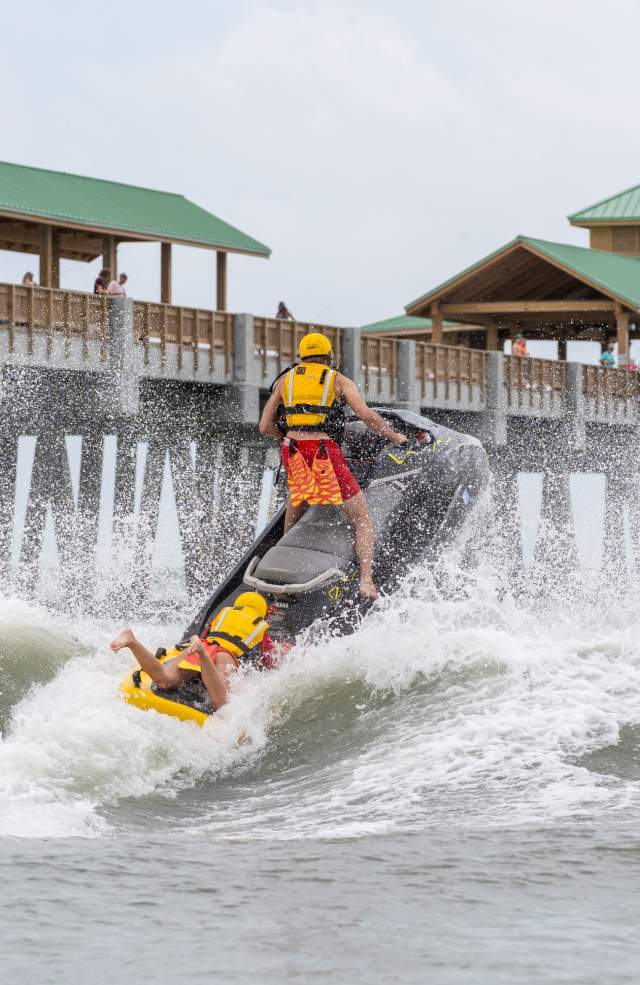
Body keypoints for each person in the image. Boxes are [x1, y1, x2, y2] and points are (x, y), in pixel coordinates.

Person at [259, 331, 406, 599]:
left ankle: (282, 566)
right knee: (362, 519)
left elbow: (265, 426)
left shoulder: (285, 380)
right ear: (329, 357)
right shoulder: (337, 380)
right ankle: (366, 581)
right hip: (323, 453)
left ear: (301, 357)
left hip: (292, 451)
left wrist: (291, 435)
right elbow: (367, 416)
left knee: (297, 500)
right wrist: (394, 435)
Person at [111, 592, 274, 711]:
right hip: (224, 655)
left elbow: (206, 633)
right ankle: (203, 656)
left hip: (202, 643)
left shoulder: (224, 614)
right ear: (263, 612)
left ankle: (132, 642)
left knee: (165, 680)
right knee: (222, 702)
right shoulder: (262, 626)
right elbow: (267, 660)